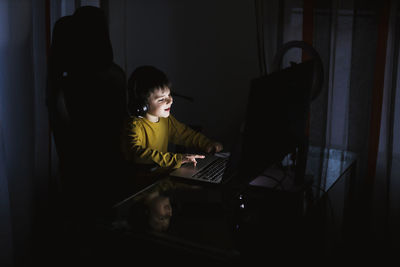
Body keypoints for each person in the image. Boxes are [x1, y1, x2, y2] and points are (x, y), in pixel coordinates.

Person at [123, 65, 223, 170]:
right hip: (141, 180)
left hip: (160, 174)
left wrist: (207, 144)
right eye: (161, 99)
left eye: (169, 95)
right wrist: (177, 159)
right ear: (142, 105)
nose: (170, 101)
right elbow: (137, 153)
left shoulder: (166, 120)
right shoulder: (134, 125)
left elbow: (185, 134)